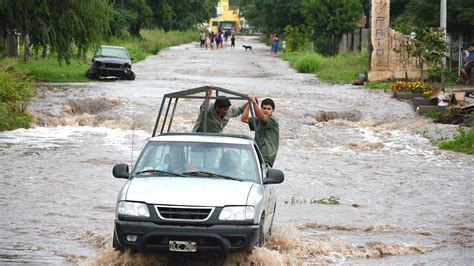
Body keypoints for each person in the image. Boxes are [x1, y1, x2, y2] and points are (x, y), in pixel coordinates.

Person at [241, 96, 279, 167]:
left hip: (267, 155)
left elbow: (262, 117)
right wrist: (250, 104)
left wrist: (254, 103)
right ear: (261, 108)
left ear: (273, 110)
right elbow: (244, 118)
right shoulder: (259, 120)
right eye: (264, 108)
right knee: (246, 168)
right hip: (258, 151)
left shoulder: (273, 120)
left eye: (269, 109)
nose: (266, 110)